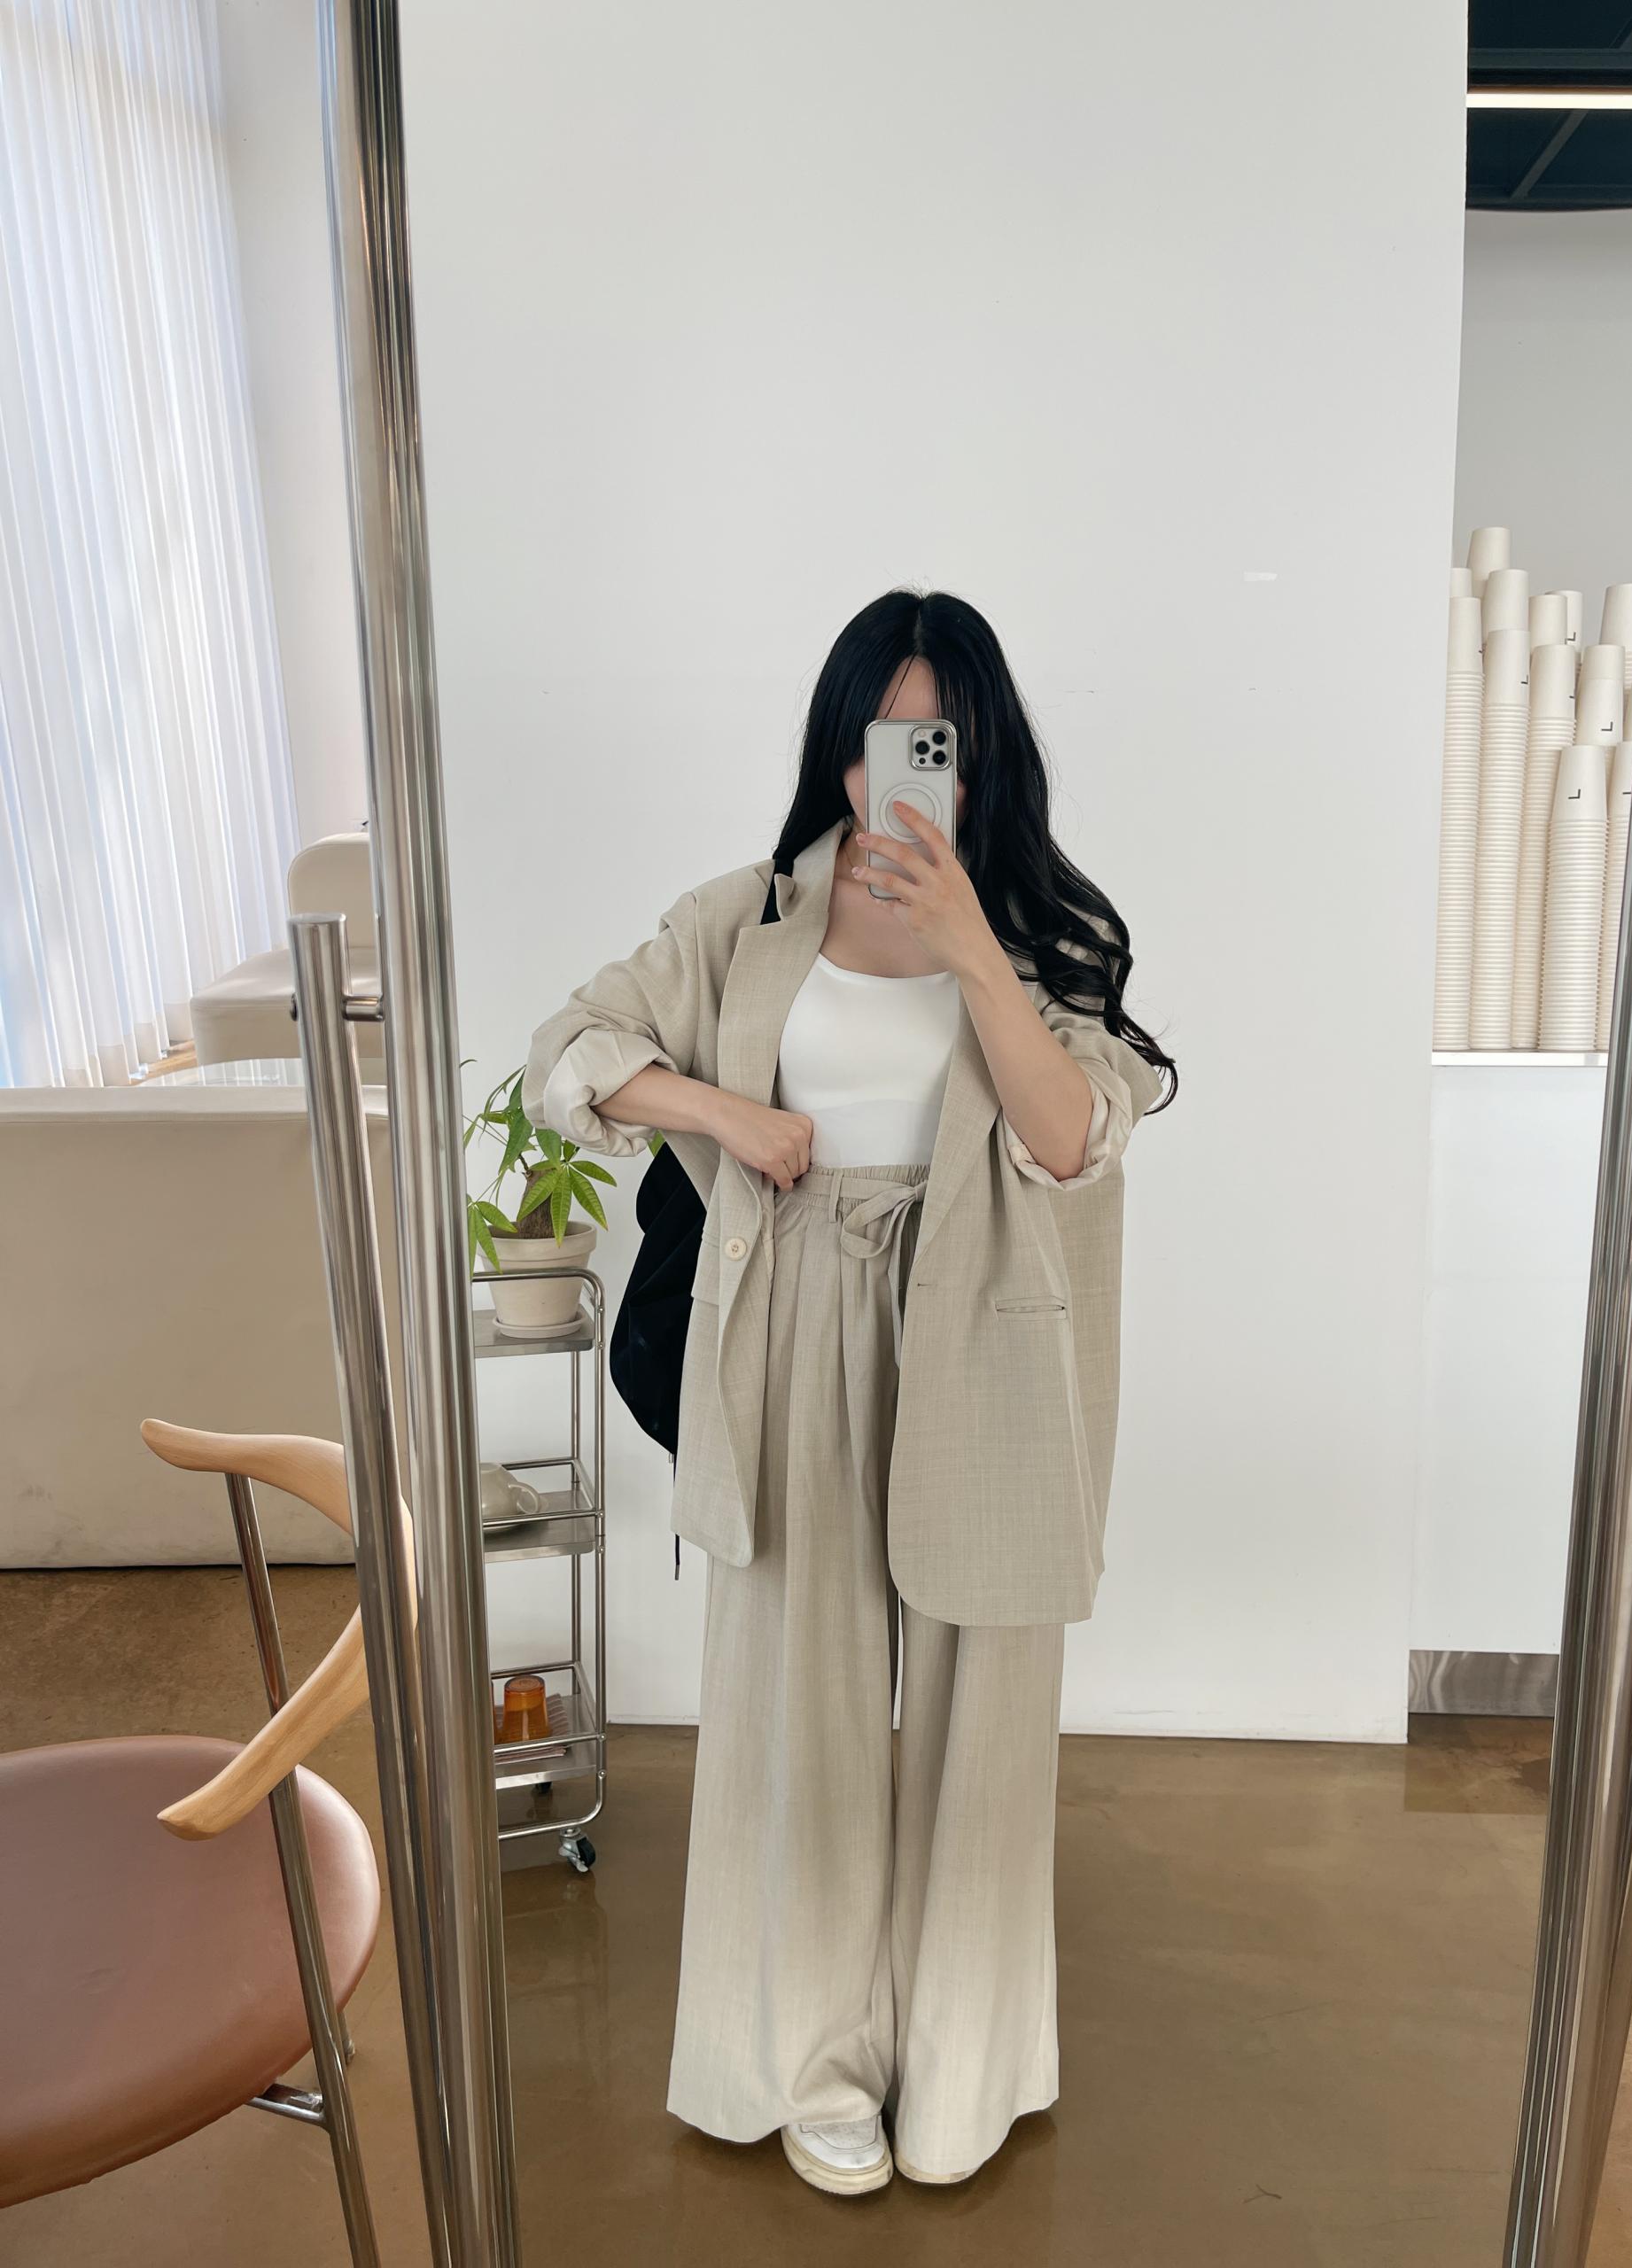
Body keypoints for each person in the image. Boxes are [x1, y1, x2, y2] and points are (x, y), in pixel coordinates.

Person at [522, 586, 1175, 2195]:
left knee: (983, 1710)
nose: (907, 767)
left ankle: (962, 2064)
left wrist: (971, 952)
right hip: (793, 1324)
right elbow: (569, 1052)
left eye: (939, 738)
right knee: (796, 1715)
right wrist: (727, 1117)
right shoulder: (742, 919)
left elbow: (1071, 1142)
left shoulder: (1041, 938)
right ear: (840, 744)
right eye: (886, 734)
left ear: (984, 752)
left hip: (984, 1326)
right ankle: (810, 2064)